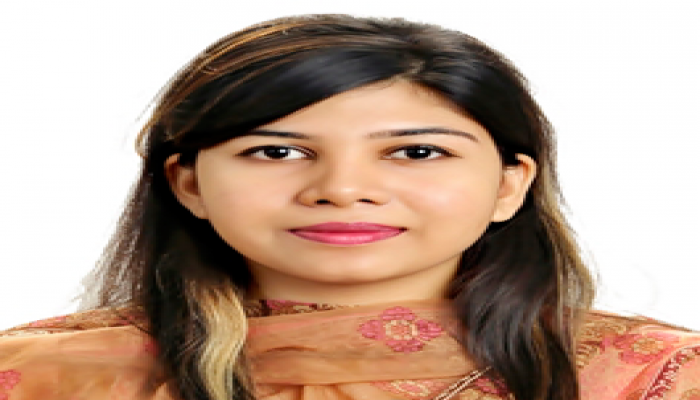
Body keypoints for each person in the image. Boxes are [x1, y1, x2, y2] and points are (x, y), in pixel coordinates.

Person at [0, 13, 698, 400]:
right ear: (188, 184)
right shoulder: (39, 377)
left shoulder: (653, 378)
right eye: (277, 151)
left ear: (509, 185)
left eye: (416, 151)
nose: (341, 189)